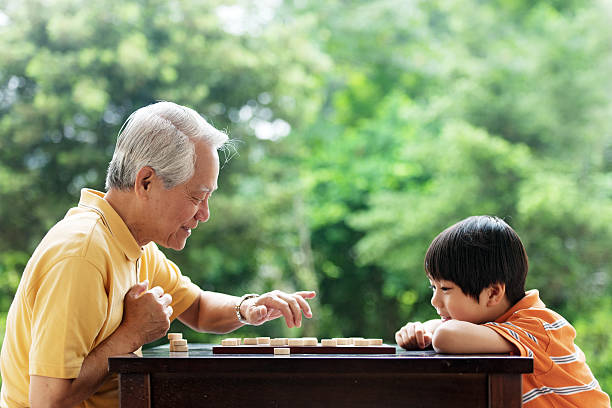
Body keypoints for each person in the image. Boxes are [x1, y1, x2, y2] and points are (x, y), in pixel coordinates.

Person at [0, 101, 316, 407]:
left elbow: (198, 308)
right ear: (146, 182)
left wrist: (247, 306)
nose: (205, 214)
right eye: (197, 196)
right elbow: (47, 400)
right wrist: (130, 336)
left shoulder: (136, 245)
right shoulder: (81, 253)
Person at [395, 215, 610, 407]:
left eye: (445, 289)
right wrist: (422, 331)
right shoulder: (497, 325)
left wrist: (431, 331)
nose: (435, 300)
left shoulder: (540, 326)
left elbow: (445, 335)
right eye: (433, 287)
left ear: (493, 293)